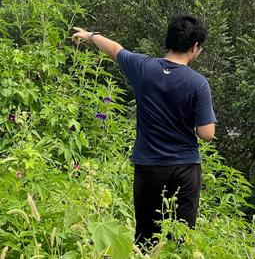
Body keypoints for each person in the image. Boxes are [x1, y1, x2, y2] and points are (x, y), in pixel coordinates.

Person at [71, 14, 216, 248]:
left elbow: (115, 49)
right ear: (195, 46)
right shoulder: (198, 83)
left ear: (169, 40)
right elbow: (207, 134)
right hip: (185, 167)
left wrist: (90, 35)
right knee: (181, 237)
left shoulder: (142, 67)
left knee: (147, 235)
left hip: (149, 167)